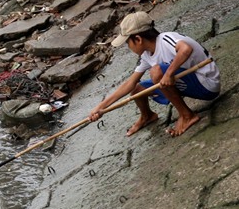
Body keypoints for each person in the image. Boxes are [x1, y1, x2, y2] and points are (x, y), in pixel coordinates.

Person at [89, 11, 220, 137]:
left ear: (138, 39)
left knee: (156, 72)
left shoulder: (165, 39)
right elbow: (129, 83)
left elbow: (185, 49)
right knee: (136, 89)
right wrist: (100, 108)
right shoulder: (146, 55)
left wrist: (168, 74)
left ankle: (187, 116)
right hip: (188, 83)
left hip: (207, 84)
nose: (128, 47)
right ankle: (147, 116)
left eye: (128, 43)